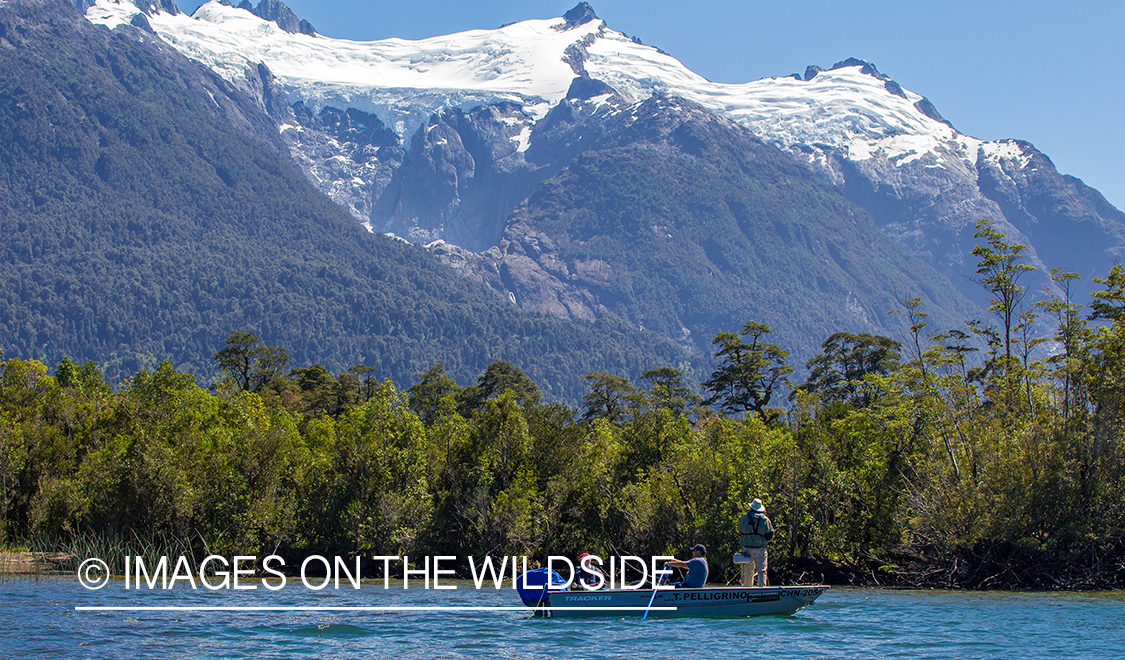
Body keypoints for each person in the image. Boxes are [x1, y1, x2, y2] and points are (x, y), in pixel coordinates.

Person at [738, 498, 774, 587]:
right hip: (760, 548)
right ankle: (761, 589)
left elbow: (740, 531)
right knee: (761, 571)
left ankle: (748, 589)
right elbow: (769, 535)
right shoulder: (765, 520)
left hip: (747, 548)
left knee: (748, 571)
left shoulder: (744, 518)